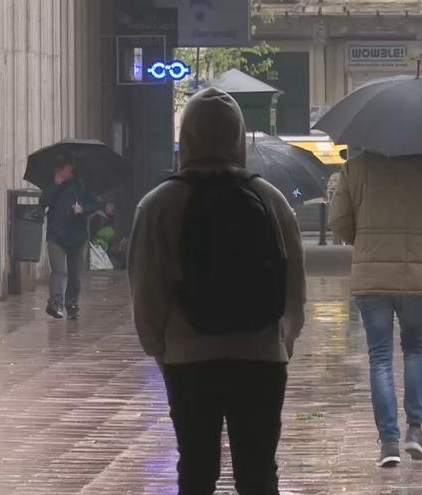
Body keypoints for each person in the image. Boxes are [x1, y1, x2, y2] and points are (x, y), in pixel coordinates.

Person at [128, 88, 306, 494]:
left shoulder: (158, 205)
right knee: (259, 473)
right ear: (239, 137)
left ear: (186, 136)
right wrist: (282, 340)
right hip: (261, 356)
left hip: (189, 358)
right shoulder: (271, 200)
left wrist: (162, 349)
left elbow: (146, 291)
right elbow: (294, 287)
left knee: (195, 469)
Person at [329, 150, 422, 468]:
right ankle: (415, 430)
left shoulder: (354, 168)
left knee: (380, 357)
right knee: (415, 349)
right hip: (414, 275)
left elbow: (338, 220)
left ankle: (388, 442)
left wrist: (363, 240)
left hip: (371, 276)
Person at [40, 161, 100, 320]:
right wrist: (55, 184)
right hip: (56, 235)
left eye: (63, 169)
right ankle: (55, 303)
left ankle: (72, 304)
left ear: (71, 171)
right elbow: (43, 200)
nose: (59, 171)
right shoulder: (54, 183)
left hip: (77, 236)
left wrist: (83, 209)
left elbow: (95, 203)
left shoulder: (82, 185)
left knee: (75, 274)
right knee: (58, 270)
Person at [90, 199, 129, 269]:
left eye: (113, 206)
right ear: (105, 206)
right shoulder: (98, 218)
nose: (112, 208)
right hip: (98, 252)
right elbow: (98, 241)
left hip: (107, 251)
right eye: (110, 205)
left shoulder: (109, 220)